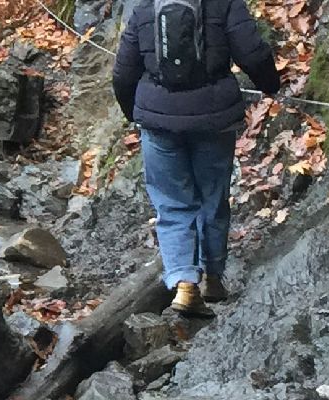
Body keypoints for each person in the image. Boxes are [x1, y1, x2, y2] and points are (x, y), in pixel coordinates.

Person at [112, 0, 283, 317]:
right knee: (213, 196)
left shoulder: (145, 6)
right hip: (213, 119)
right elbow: (252, 52)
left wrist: (134, 112)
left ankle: (185, 285)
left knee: (172, 202)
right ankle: (213, 278)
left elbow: (123, 71)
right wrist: (271, 86)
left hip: (158, 121)